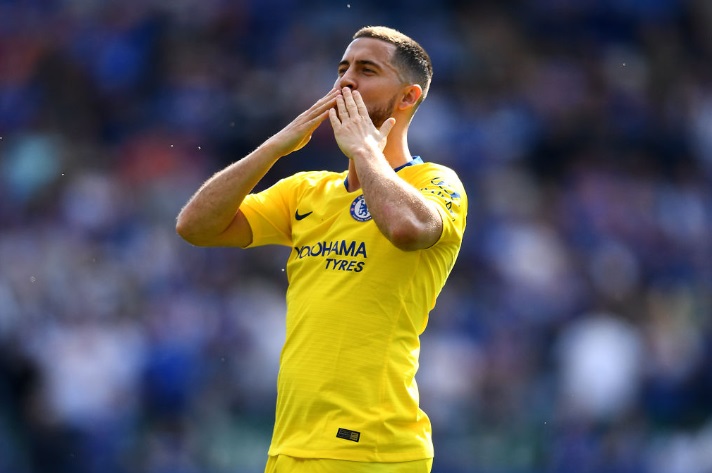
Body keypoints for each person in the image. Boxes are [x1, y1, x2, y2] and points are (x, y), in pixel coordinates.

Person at [176, 25, 467, 473]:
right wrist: (275, 148)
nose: (346, 80)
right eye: (342, 68)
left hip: (372, 448)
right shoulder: (306, 191)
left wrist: (366, 152)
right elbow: (195, 227)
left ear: (408, 97)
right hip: (291, 446)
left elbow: (408, 229)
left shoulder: (434, 182)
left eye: (367, 70)